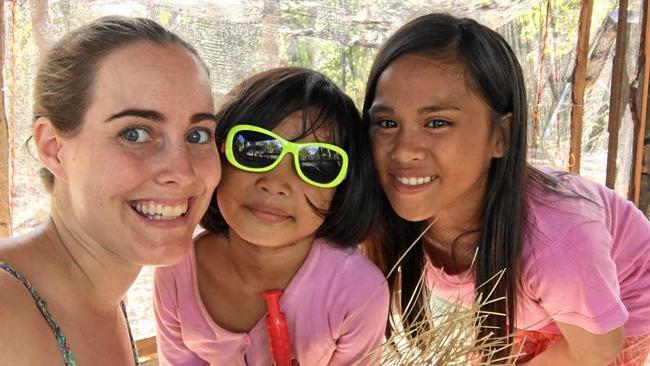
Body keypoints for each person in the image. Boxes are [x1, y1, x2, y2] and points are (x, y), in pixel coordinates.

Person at [362, 13, 650, 365]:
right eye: (387, 123)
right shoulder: (383, 211)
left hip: (613, 320)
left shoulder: (556, 240)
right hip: (538, 310)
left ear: (501, 136)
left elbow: (598, 349)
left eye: (437, 122)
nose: (404, 150)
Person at [0, 16, 221, 365]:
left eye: (197, 135)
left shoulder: (103, 293)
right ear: (54, 148)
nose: (181, 172)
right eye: (134, 133)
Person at [154, 67, 389, 366]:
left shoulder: (359, 294)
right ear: (217, 152)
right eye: (255, 148)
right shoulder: (175, 270)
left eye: (316, 163)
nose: (276, 182)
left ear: (343, 188)